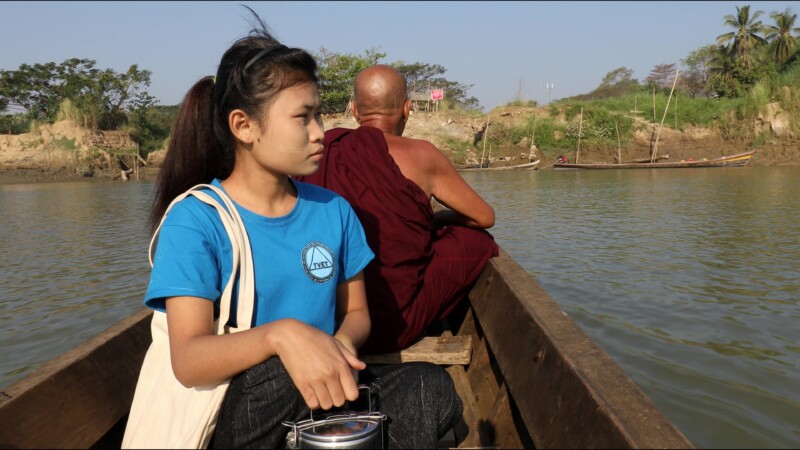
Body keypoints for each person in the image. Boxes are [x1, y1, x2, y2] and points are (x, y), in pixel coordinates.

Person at [143, 13, 461, 448]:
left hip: (321, 399)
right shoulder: (197, 219)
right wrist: (285, 336)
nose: (319, 133)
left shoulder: (333, 211)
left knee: (432, 389)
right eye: (302, 118)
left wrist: (339, 349)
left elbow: (356, 313)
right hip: (244, 411)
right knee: (277, 375)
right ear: (244, 126)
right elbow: (189, 360)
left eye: (319, 116)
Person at [297, 64, 499, 354]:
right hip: (390, 327)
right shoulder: (421, 154)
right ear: (407, 108)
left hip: (327, 321)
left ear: (354, 110)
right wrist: (440, 218)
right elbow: (484, 217)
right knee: (478, 241)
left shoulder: (324, 149)